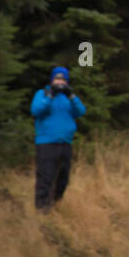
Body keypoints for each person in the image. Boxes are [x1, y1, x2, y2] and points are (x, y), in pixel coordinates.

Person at [30, 66, 85, 213]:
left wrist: (72, 96)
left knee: (63, 179)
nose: (59, 82)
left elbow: (81, 111)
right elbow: (36, 110)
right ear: (52, 80)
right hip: (46, 143)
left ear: (66, 81)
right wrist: (50, 96)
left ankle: (55, 203)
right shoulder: (43, 93)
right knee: (46, 176)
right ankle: (42, 209)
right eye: (57, 79)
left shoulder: (69, 98)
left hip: (65, 143)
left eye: (62, 79)